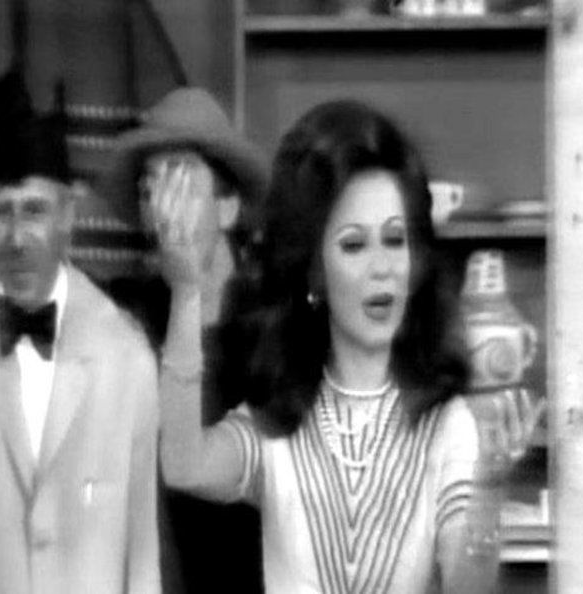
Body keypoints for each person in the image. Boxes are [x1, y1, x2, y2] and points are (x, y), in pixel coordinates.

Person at [156, 98, 499, 593]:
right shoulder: (279, 424)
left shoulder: (444, 424)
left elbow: (470, 589)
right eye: (354, 245)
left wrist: (489, 487)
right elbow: (183, 466)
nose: (382, 268)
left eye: (395, 240)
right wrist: (186, 292)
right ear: (313, 271)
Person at [0, 68, 161, 593]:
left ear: (69, 215)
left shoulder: (126, 356)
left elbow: (143, 558)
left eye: (35, 211)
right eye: (2, 211)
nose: (18, 237)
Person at [105, 86, 269, 593]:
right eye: (148, 189)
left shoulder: (275, 321)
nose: (162, 205)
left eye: (179, 179)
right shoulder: (125, 315)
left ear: (227, 207)